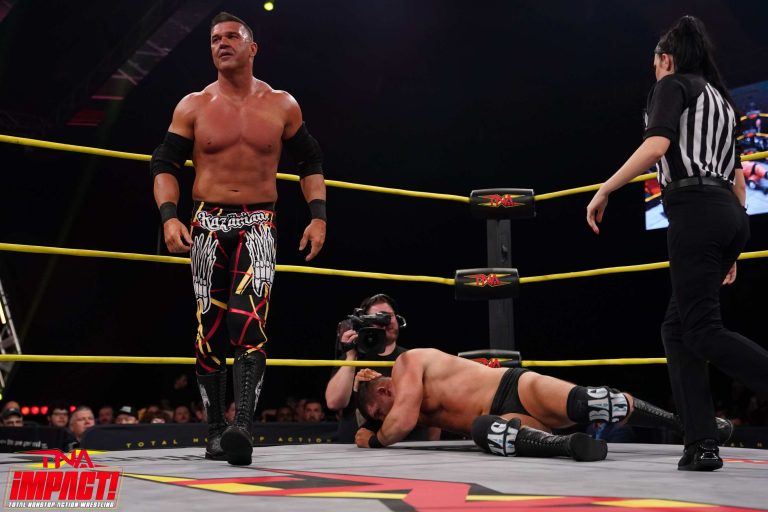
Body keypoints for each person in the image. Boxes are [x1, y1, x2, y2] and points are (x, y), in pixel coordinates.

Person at [586, 15, 768, 471]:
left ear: (666, 58)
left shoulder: (672, 86)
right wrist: (731, 246)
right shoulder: (722, 101)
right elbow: (739, 179)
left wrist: (606, 188)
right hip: (729, 216)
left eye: (654, 64)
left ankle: (703, 440)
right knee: (678, 329)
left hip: (697, 211)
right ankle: (701, 443)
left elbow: (656, 146)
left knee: (702, 330)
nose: (653, 71)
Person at [151, 11, 327, 466]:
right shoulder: (193, 106)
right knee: (208, 328)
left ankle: (243, 427)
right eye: (215, 39)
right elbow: (164, 164)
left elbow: (310, 161)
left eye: (232, 36)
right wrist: (169, 218)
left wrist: (318, 218)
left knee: (248, 323)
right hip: (206, 223)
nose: (222, 43)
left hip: (259, 222)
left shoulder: (282, 104)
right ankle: (215, 432)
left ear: (253, 48)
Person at [354, 349, 732, 462]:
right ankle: (570, 446)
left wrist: (372, 439)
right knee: (485, 430)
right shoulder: (412, 402)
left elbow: (399, 424)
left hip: (513, 385)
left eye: (378, 414)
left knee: (594, 401)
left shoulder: (407, 364)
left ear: (383, 391)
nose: (382, 420)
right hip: (505, 419)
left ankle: (692, 426)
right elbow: (402, 423)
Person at [325, 293, 438, 442]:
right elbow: (334, 402)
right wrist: (351, 357)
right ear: (365, 323)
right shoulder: (352, 358)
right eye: (377, 317)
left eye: (389, 316)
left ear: (397, 319)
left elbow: (434, 409)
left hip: (410, 446)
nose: (385, 321)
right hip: (356, 448)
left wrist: (430, 446)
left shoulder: (414, 359)